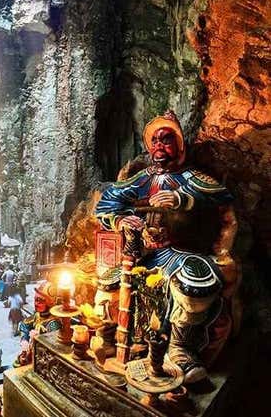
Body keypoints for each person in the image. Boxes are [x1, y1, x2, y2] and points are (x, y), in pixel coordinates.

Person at [95, 111, 236, 384]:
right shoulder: (142, 179)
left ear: (179, 145)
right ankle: (113, 337)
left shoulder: (191, 177)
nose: (160, 147)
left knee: (197, 282)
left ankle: (179, 349)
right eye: (155, 141)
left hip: (177, 253)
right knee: (106, 282)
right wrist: (121, 219)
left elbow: (222, 195)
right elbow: (107, 202)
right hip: (141, 253)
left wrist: (182, 199)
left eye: (167, 140)